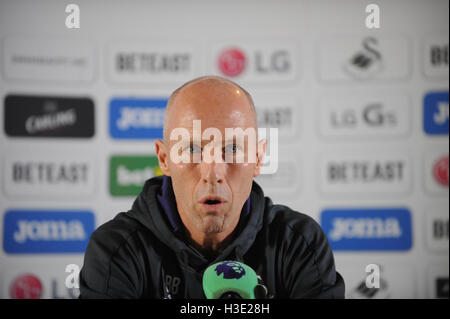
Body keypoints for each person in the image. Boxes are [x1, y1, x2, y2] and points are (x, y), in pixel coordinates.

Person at [79, 76, 345, 298]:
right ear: (164, 159)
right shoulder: (116, 250)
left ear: (258, 158)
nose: (212, 172)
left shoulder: (299, 244)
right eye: (193, 149)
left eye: (231, 149)